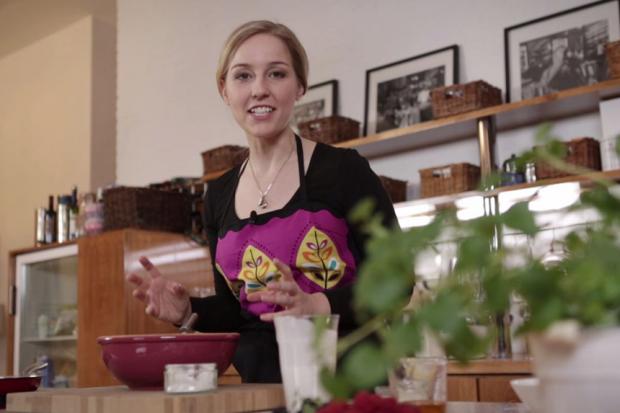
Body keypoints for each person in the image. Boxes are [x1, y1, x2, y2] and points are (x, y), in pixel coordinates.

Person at [127, 20, 397, 383]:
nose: (259, 90)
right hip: (258, 391)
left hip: (347, 386)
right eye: (243, 76)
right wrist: (187, 310)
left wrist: (316, 304)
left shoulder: (344, 170)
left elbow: (397, 280)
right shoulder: (218, 195)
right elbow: (235, 311)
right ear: (224, 90)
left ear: (299, 86)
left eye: (276, 74)